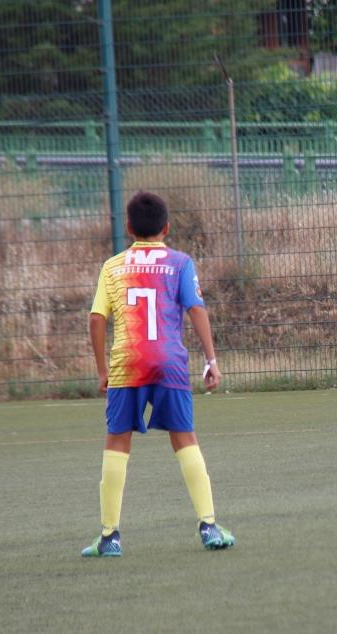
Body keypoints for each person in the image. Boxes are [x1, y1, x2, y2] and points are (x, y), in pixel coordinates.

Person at [81, 191, 234, 557]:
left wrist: (103, 370)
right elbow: (196, 309)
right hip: (169, 363)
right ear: (166, 228)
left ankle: (109, 536)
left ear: (129, 228)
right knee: (185, 439)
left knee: (117, 442)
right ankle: (209, 525)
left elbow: (96, 318)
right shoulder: (180, 262)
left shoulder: (112, 265)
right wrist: (212, 360)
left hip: (127, 364)